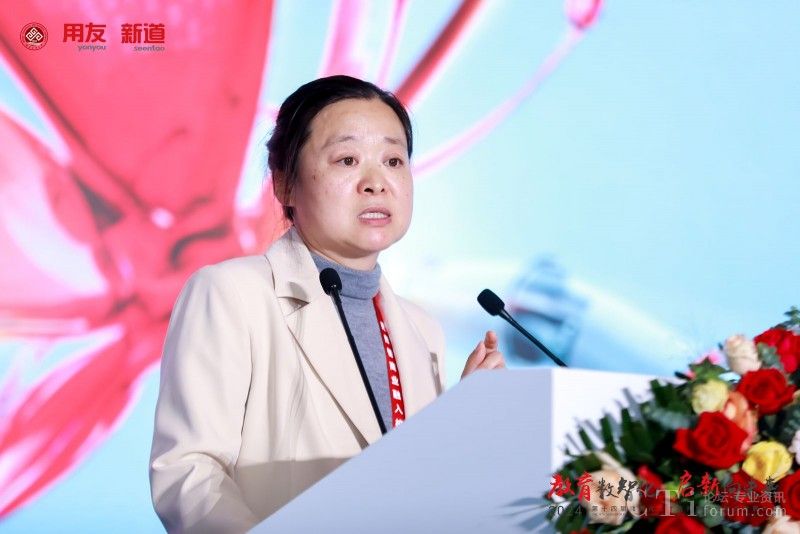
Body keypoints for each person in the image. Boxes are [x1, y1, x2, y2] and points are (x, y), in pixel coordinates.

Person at [149, 75, 506, 533]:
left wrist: (460, 424)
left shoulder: (422, 330)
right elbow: (188, 473)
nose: (376, 183)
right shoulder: (231, 293)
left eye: (393, 160)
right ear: (284, 184)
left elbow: (410, 487)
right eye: (347, 160)